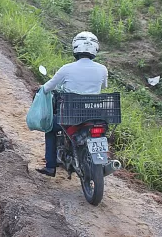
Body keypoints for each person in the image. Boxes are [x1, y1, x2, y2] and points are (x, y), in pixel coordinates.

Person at [37, 31, 108, 177]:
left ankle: (50, 167)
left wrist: (41, 89)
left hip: (71, 116)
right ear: (95, 48)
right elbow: (104, 86)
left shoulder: (66, 68)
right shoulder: (102, 69)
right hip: (94, 116)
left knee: (50, 129)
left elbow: (48, 87)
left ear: (75, 47)